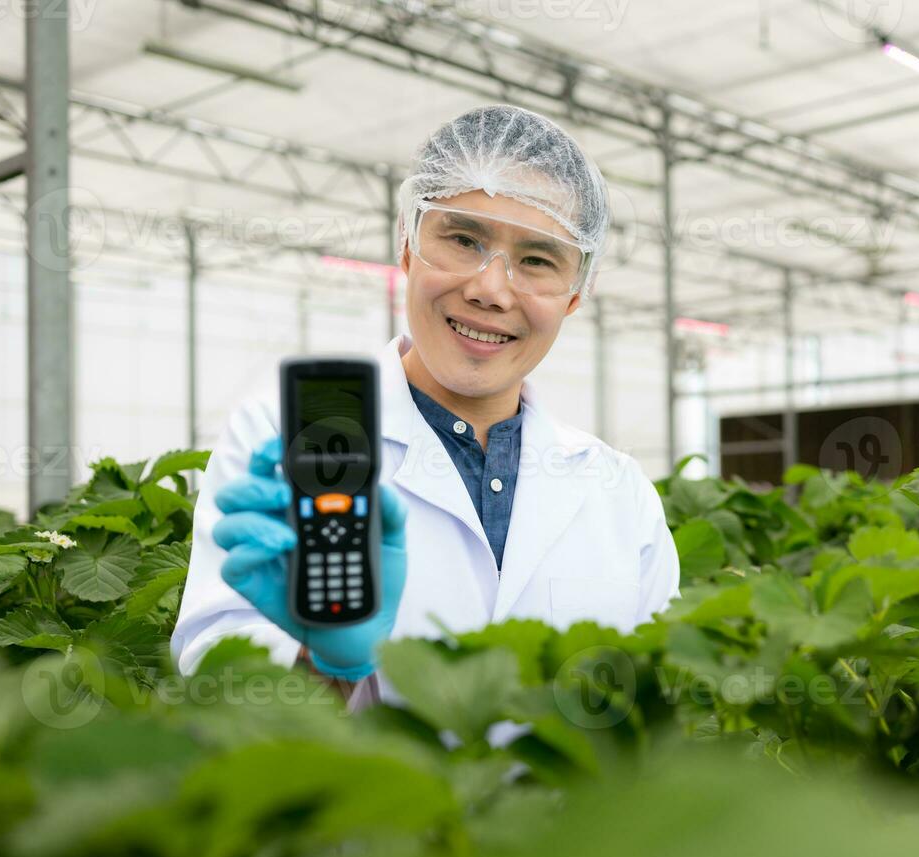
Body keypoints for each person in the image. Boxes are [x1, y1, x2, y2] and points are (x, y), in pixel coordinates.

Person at [171, 105, 681, 707]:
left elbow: (657, 711)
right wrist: (321, 656)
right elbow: (219, 692)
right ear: (408, 248)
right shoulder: (286, 437)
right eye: (464, 240)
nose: (490, 290)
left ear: (573, 297)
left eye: (538, 260)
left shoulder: (618, 493)